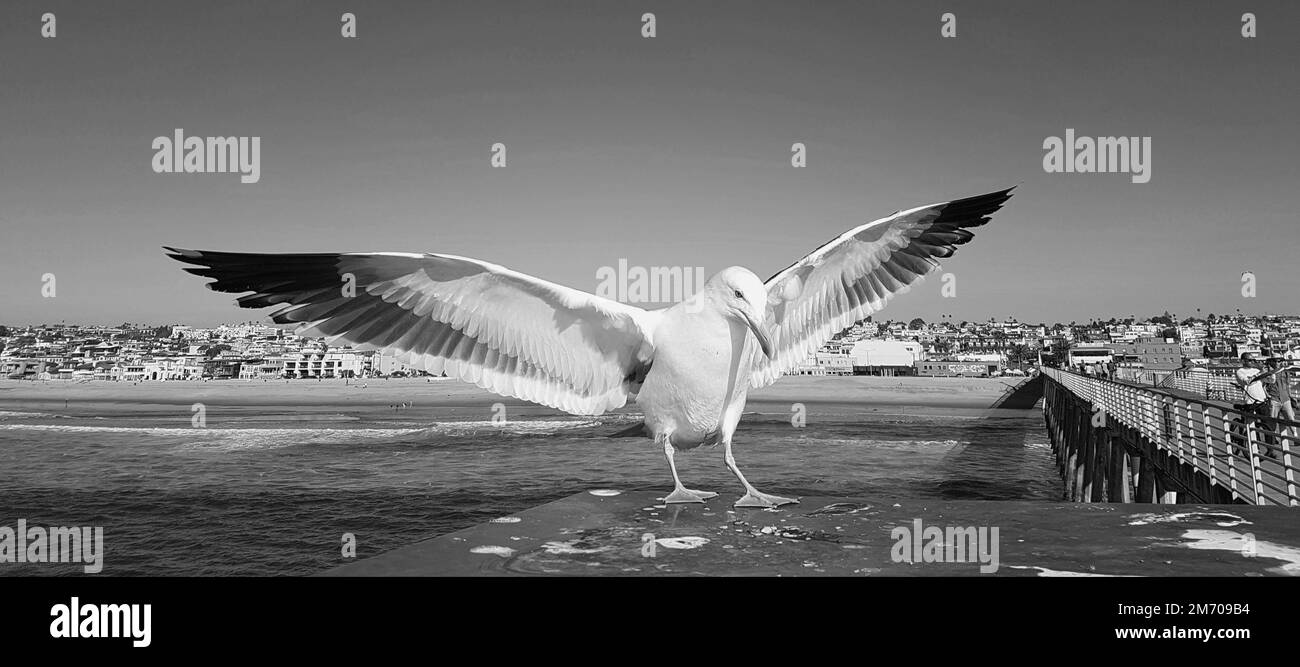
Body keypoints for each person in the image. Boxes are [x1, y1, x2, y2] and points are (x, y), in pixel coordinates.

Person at [1264, 358, 1296, 450]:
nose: (1280, 363)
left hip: (1285, 398)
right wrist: (1267, 396)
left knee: (1290, 419)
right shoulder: (1267, 372)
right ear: (1272, 362)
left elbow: (1288, 385)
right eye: (1277, 361)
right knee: (1273, 420)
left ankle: (1295, 438)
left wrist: (1291, 397)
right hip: (1274, 398)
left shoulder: (1284, 372)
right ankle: (1273, 439)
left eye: (1281, 361)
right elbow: (1263, 385)